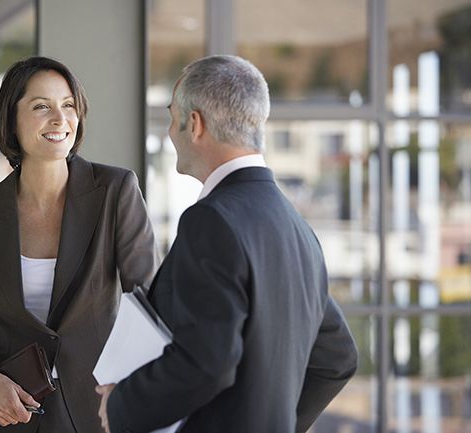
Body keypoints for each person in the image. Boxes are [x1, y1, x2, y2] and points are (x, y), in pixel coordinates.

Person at [96, 55, 358, 433]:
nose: (171, 131)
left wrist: (120, 405)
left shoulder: (211, 220)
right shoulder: (297, 228)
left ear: (196, 124)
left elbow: (208, 362)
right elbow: (337, 357)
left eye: (173, 117)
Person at [0, 56, 159, 433]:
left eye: (68, 106)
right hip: (7, 411)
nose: (59, 119)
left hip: (99, 411)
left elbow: (146, 304)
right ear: (11, 120)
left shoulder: (114, 191)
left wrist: (132, 389)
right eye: (41, 106)